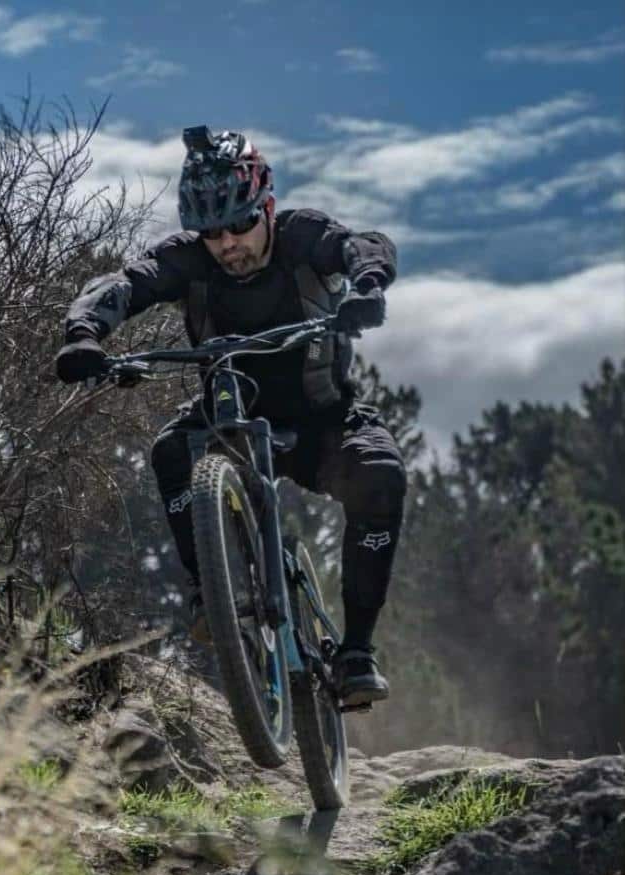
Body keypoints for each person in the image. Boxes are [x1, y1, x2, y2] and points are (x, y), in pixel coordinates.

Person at [56, 125, 405, 706]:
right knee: (171, 452)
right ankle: (212, 592)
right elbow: (124, 284)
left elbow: (362, 245)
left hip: (323, 420)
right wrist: (84, 334)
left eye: (240, 224)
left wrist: (368, 283)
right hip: (230, 417)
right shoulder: (187, 262)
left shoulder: (303, 236)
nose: (227, 244)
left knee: (381, 475)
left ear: (267, 208)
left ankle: (357, 653)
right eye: (212, 232)